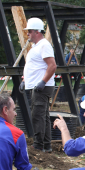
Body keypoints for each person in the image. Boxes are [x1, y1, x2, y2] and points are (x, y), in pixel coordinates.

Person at [19, 18, 56, 152]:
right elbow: (33, 67)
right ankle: (46, 145)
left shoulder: (44, 45)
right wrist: (24, 80)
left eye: (29, 31)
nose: (27, 34)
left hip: (41, 87)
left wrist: (43, 81)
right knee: (43, 116)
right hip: (35, 85)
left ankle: (38, 145)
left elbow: (52, 66)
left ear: (36, 31)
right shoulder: (35, 47)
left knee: (37, 116)